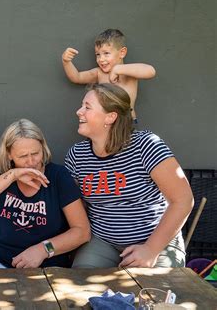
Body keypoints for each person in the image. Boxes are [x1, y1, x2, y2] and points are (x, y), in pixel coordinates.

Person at [64, 83, 194, 268]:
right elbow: (79, 209)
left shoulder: (146, 146)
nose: (79, 111)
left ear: (110, 117)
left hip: (157, 240)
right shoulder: (77, 156)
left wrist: (151, 249)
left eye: (87, 107)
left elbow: (183, 200)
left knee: (157, 290)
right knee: (79, 284)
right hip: (103, 242)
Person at [0, 119, 90, 268]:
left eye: (35, 153)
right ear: (9, 155)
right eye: (23, 156)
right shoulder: (1, 172)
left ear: (43, 148)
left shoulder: (59, 176)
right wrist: (12, 175)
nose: (31, 162)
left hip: (48, 264)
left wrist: (43, 250)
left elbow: (82, 232)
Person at [61, 29, 156, 123]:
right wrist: (66, 62)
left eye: (106, 53)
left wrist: (118, 69)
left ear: (122, 52)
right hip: (105, 123)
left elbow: (150, 71)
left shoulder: (129, 71)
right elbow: (77, 77)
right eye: (98, 55)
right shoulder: (99, 73)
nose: (101, 59)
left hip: (126, 122)